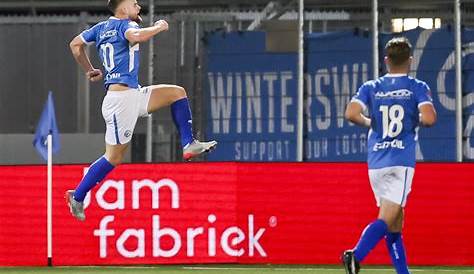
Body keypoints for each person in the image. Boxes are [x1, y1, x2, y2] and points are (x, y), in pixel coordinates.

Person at [66, 0, 217, 221]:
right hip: (120, 103)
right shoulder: (127, 25)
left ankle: (188, 144)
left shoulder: (99, 28)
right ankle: (77, 196)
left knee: (177, 93)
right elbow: (135, 36)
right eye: (134, 3)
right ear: (123, 9)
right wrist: (159, 27)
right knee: (114, 157)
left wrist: (89, 70)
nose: (138, 7)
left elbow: (75, 45)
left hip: (131, 95)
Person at [342, 37, 437, 274]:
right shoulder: (417, 87)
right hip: (400, 162)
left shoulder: (371, 87)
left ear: (386, 61)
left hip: (376, 163)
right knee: (386, 219)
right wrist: (413, 120)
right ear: (410, 61)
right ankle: (356, 254)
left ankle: (403, 273)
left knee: (395, 222)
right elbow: (429, 118)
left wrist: (371, 124)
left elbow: (351, 113)